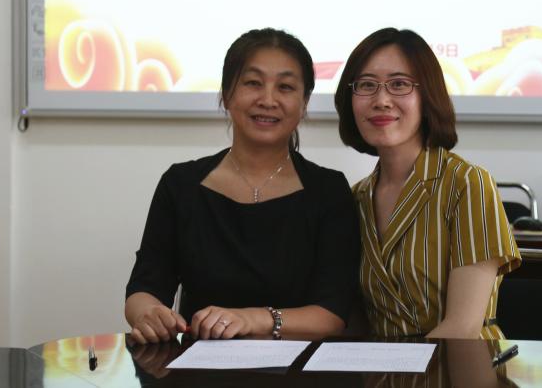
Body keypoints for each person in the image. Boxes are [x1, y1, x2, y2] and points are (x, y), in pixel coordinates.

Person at [125, 28, 359, 344]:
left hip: (298, 367)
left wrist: (252, 319)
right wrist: (149, 313)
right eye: (253, 83)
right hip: (200, 366)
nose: (268, 100)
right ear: (226, 94)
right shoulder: (181, 185)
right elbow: (144, 289)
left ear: (304, 103)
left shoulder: (328, 191)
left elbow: (331, 316)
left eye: (285, 87)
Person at [334, 28, 521, 340]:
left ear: (427, 95)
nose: (381, 100)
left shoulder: (466, 183)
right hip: (382, 364)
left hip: (460, 362)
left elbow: (462, 328)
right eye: (366, 85)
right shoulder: (356, 198)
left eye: (399, 84)